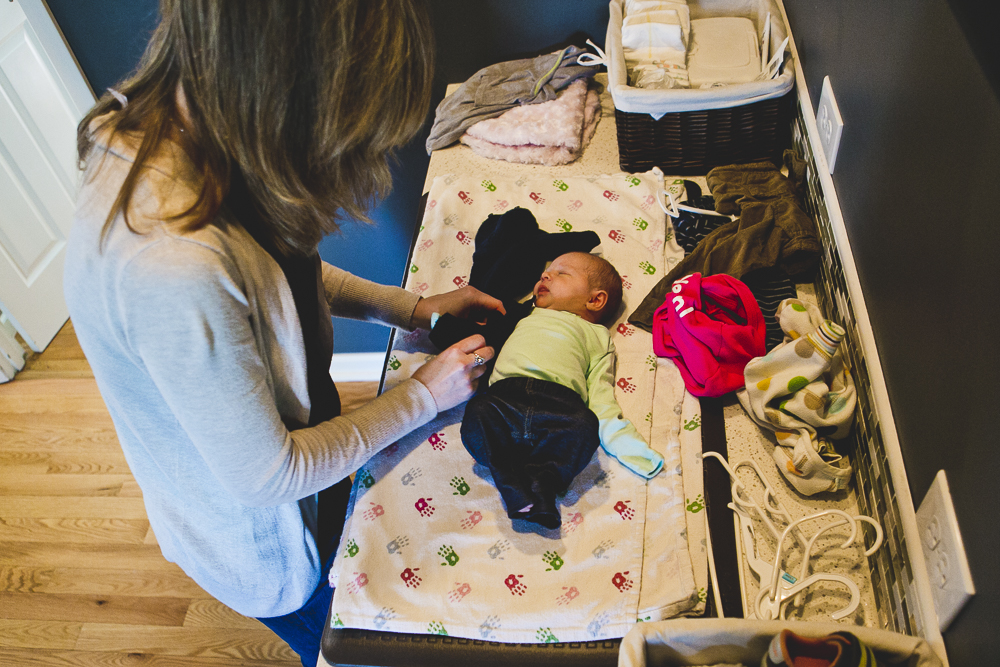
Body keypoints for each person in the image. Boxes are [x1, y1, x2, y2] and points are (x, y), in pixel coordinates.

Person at [62, 2, 502, 666]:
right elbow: (272, 474)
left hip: (291, 461)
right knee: (355, 644)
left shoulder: (198, 136)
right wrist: (424, 397)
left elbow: (277, 274)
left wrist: (410, 308)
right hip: (268, 538)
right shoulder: (170, 266)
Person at [460, 252, 664, 530]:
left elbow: (601, 397)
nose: (545, 276)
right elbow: (485, 334)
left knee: (584, 426)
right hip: (504, 400)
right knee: (478, 411)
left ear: (595, 300)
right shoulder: (524, 315)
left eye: (561, 273)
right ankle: (509, 480)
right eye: (545, 272)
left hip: (559, 407)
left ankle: (540, 485)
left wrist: (627, 446)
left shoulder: (597, 335)